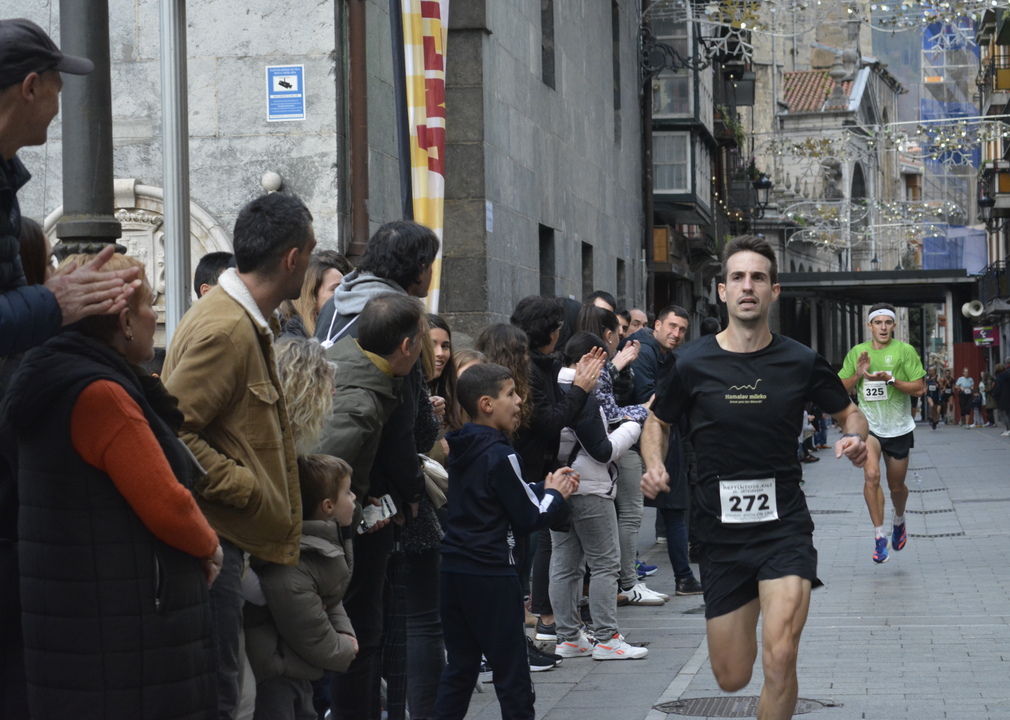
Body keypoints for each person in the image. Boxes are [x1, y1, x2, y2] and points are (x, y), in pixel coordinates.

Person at [641, 235, 868, 720]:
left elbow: (850, 412)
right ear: (722, 291)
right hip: (719, 535)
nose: (748, 286)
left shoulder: (800, 360)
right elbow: (657, 421)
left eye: (758, 278)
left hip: (784, 528)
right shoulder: (691, 362)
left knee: (780, 655)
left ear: (774, 291)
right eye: (738, 278)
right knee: (732, 675)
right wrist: (654, 464)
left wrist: (855, 437)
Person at [1, 252, 222, 719]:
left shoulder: (49, 377)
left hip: (81, 631)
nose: (154, 317)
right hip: (123, 641)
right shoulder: (101, 394)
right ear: (124, 322)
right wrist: (208, 546)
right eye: (149, 305)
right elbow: (167, 503)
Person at [162, 192, 315, 718]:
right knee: (223, 699)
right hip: (217, 540)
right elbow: (173, 432)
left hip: (228, 539)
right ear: (292, 259)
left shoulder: (241, 320)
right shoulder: (227, 328)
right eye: (310, 253)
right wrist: (245, 488)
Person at [315, 221, 437, 719]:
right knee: (367, 626)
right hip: (365, 502)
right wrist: (411, 490)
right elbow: (401, 423)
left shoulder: (336, 304)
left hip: (350, 494)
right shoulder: (397, 318)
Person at [433, 363, 579, 720]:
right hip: (491, 573)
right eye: (511, 394)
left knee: (461, 668)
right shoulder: (502, 453)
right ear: (487, 404)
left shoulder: (462, 446)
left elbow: (498, 495)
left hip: (454, 569)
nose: (519, 401)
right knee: (512, 673)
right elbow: (529, 518)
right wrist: (556, 495)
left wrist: (543, 487)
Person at [509, 296, 605, 647]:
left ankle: (554, 625)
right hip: (529, 471)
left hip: (544, 471)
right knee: (527, 553)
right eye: (559, 326)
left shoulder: (542, 365)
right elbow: (549, 421)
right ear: (549, 331)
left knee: (548, 548)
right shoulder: (529, 369)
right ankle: (546, 622)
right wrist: (580, 389)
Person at [550, 332, 647, 661]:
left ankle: (568, 637)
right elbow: (603, 451)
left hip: (560, 485)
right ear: (588, 359)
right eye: (603, 364)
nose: (605, 374)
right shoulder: (582, 395)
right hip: (590, 487)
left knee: (565, 565)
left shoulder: (551, 388)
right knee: (605, 563)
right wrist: (632, 427)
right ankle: (607, 638)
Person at [245, 455, 358, 720]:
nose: (354, 498)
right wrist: (343, 647)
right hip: (277, 670)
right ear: (328, 506)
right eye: (348, 492)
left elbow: (330, 596)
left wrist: (344, 630)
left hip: (295, 667)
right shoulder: (295, 563)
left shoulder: (319, 547)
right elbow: (307, 629)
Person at [840, 303, 926, 564]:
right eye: (878, 322)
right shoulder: (857, 352)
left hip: (898, 428)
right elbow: (839, 388)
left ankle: (899, 519)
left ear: (894, 325)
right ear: (870, 326)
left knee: (896, 487)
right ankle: (879, 536)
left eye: (888, 322)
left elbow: (920, 388)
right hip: (870, 428)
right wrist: (858, 374)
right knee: (871, 475)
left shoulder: (904, 351)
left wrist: (889, 380)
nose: (883, 327)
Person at [622, 304, 693, 604]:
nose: (676, 334)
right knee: (630, 516)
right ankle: (630, 580)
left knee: (668, 508)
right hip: (635, 439)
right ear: (658, 325)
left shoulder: (666, 355)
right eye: (672, 326)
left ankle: (681, 576)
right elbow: (649, 400)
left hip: (657, 435)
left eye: (682, 330)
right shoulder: (645, 351)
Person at [279, 250, 352, 339]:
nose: (345, 294)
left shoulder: (341, 329)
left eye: (346, 288)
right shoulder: (291, 342)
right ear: (311, 297)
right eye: (335, 289)